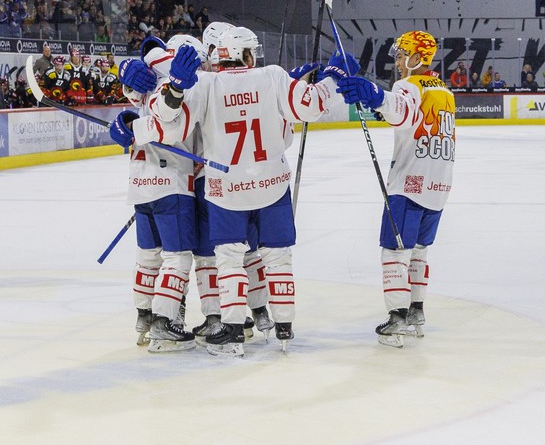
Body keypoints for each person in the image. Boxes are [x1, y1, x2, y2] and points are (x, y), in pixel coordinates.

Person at [139, 26, 346, 356]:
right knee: (277, 257)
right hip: (272, 185)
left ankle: (233, 327)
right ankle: (284, 325)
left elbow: (169, 124)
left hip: (226, 189)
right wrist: (333, 77)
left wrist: (172, 92)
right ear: (246, 54)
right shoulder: (273, 76)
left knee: (229, 259)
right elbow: (310, 107)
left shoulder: (205, 84)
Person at [335, 30, 455, 348]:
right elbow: (408, 118)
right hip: (439, 184)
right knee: (419, 251)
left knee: (394, 251)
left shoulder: (407, 85)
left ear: (418, 58)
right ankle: (416, 311)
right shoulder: (445, 90)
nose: (399, 62)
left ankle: (397, 318)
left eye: (403, 56)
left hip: (409, 183)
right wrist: (380, 107)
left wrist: (374, 95)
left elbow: (400, 109)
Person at [109, 37, 198, 353]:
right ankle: (164, 325)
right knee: (177, 257)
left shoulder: (144, 88)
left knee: (148, 258)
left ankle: (144, 320)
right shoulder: (162, 85)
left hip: (141, 186)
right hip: (171, 184)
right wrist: (175, 88)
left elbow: (134, 94)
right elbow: (167, 112)